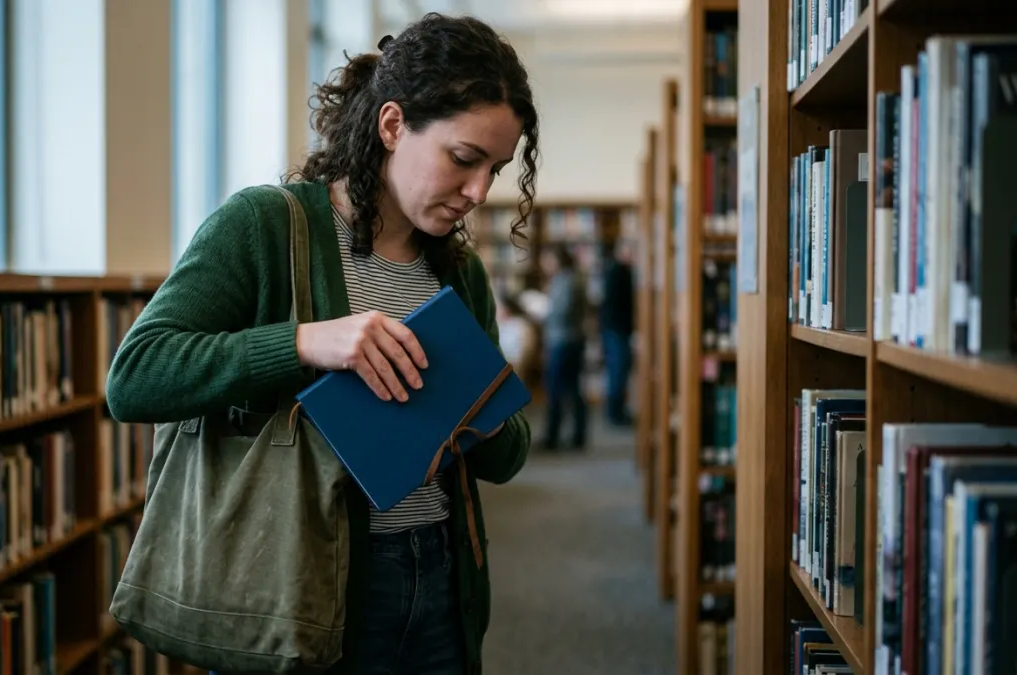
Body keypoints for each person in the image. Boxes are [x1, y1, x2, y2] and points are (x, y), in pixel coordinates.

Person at [104, 13, 539, 675]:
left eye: (497, 169)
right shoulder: (264, 226)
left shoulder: (460, 272)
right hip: (302, 580)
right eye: (463, 158)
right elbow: (134, 378)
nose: (478, 192)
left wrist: (474, 408)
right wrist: (305, 341)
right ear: (393, 126)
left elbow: (504, 458)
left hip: (440, 578)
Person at [540, 242, 588, 450]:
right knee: (573, 388)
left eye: (547, 259)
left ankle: (553, 436)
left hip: (563, 340)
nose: (545, 264)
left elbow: (562, 310)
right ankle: (577, 434)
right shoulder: (574, 277)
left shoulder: (565, 280)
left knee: (556, 389)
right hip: (572, 338)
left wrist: (543, 312)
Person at [601, 240, 634, 425]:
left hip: (617, 330)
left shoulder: (619, 272)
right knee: (617, 372)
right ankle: (615, 413)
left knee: (619, 372)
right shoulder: (617, 273)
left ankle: (617, 410)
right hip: (617, 330)